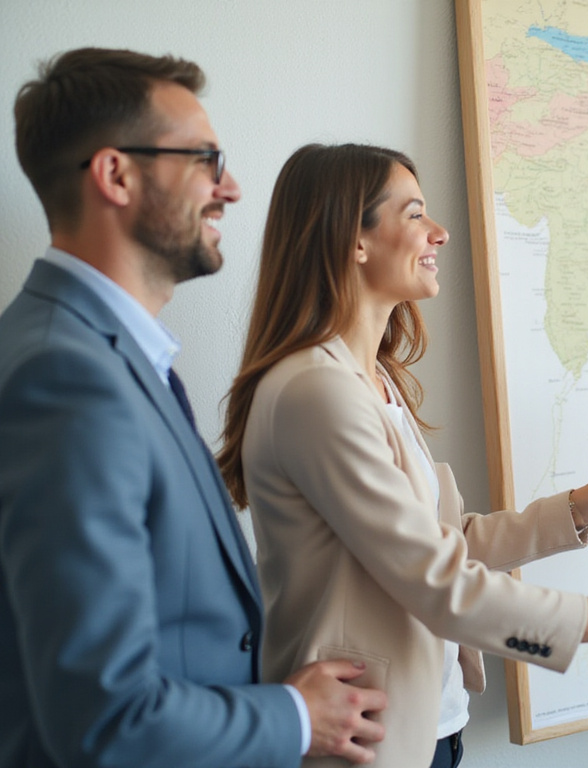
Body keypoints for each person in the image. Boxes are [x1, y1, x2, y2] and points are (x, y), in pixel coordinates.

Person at [216, 142, 588, 768]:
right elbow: (436, 579)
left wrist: (583, 506)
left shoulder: (374, 381)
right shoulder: (317, 391)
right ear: (354, 240)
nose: (440, 232)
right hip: (362, 745)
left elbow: (443, 543)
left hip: (432, 725)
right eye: (414, 213)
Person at [0, 49, 388, 767]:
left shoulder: (101, 356)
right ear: (116, 175)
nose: (230, 188)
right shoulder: (65, 378)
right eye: (206, 160)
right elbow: (105, 719)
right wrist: (294, 716)